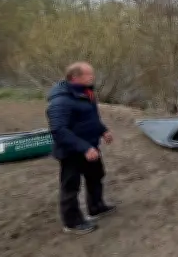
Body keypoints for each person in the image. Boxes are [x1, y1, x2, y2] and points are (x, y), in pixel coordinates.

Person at [46, 62, 115, 235]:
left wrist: (103, 130)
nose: (93, 77)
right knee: (70, 186)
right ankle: (72, 222)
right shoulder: (61, 100)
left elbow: (90, 118)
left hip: (91, 145)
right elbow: (58, 130)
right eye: (89, 74)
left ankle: (96, 206)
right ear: (75, 77)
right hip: (72, 151)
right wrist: (84, 148)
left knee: (96, 176)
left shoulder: (86, 93)